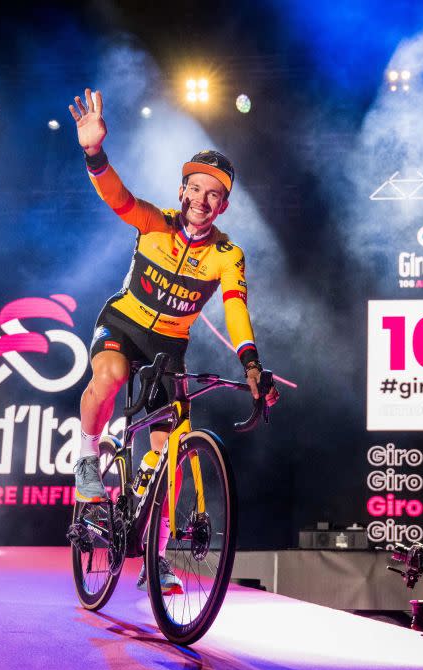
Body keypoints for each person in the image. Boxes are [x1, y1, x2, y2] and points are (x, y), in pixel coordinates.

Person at [67, 88, 278, 594]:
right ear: (182, 191)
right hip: (122, 324)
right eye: (196, 189)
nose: (202, 200)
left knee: (170, 449)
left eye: (214, 194)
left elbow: (235, 308)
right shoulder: (154, 223)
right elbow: (117, 197)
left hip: (169, 348)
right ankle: (87, 457)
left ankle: (156, 556)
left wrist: (251, 362)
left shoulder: (229, 255)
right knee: (112, 376)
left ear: (223, 205)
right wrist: (94, 152)